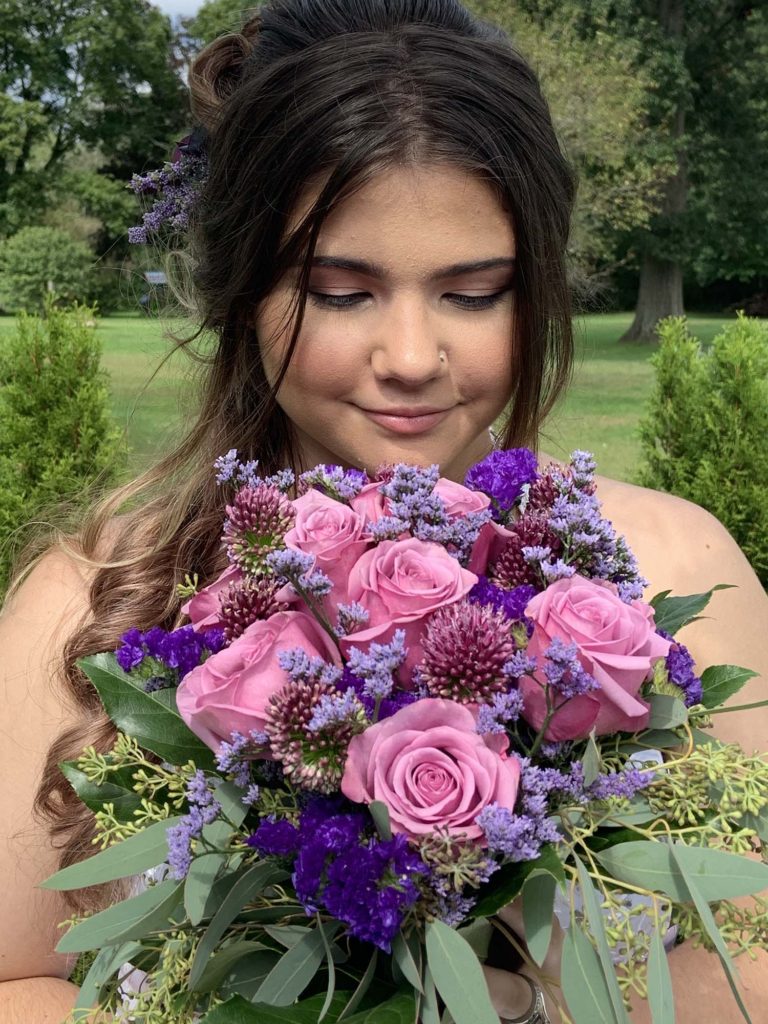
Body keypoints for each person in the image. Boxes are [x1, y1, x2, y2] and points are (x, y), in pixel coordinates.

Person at [1, 1, 766, 1021]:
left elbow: (752, 953)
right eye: (342, 290)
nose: (410, 357)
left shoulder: (670, 561)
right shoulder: (95, 595)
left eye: (473, 291)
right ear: (243, 289)